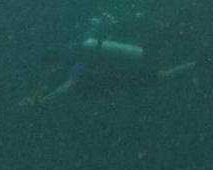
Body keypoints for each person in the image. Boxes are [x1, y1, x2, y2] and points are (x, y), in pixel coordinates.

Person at [18, 13, 198, 105]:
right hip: (118, 79)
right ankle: (180, 38)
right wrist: (34, 97)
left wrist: (44, 101)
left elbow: (67, 87)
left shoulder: (76, 64)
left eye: (51, 68)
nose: (50, 72)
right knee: (157, 55)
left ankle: (196, 63)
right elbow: (49, 87)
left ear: (57, 62)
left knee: (162, 72)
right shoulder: (67, 68)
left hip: (121, 76)